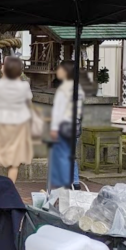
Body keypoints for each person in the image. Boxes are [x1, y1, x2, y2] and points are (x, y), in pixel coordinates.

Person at [0, 55, 33, 183]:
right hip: (18, 126)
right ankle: (10, 189)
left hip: (1, 125)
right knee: (14, 163)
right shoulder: (24, 86)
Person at [49, 60, 84, 189]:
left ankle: (65, 182)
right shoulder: (77, 88)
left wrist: (53, 128)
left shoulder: (63, 89)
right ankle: (75, 181)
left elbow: (58, 111)